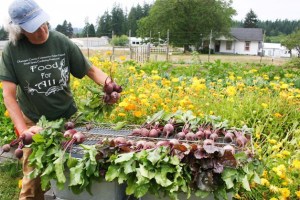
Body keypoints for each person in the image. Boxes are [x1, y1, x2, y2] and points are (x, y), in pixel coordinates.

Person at [0, 0, 120, 199]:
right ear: (19, 30)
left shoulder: (61, 41)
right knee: (32, 182)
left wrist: (109, 84)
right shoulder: (12, 51)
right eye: (33, 28)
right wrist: (23, 131)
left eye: (43, 22)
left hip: (68, 119)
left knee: (75, 167)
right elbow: (9, 96)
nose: (42, 30)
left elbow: (89, 70)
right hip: (35, 123)